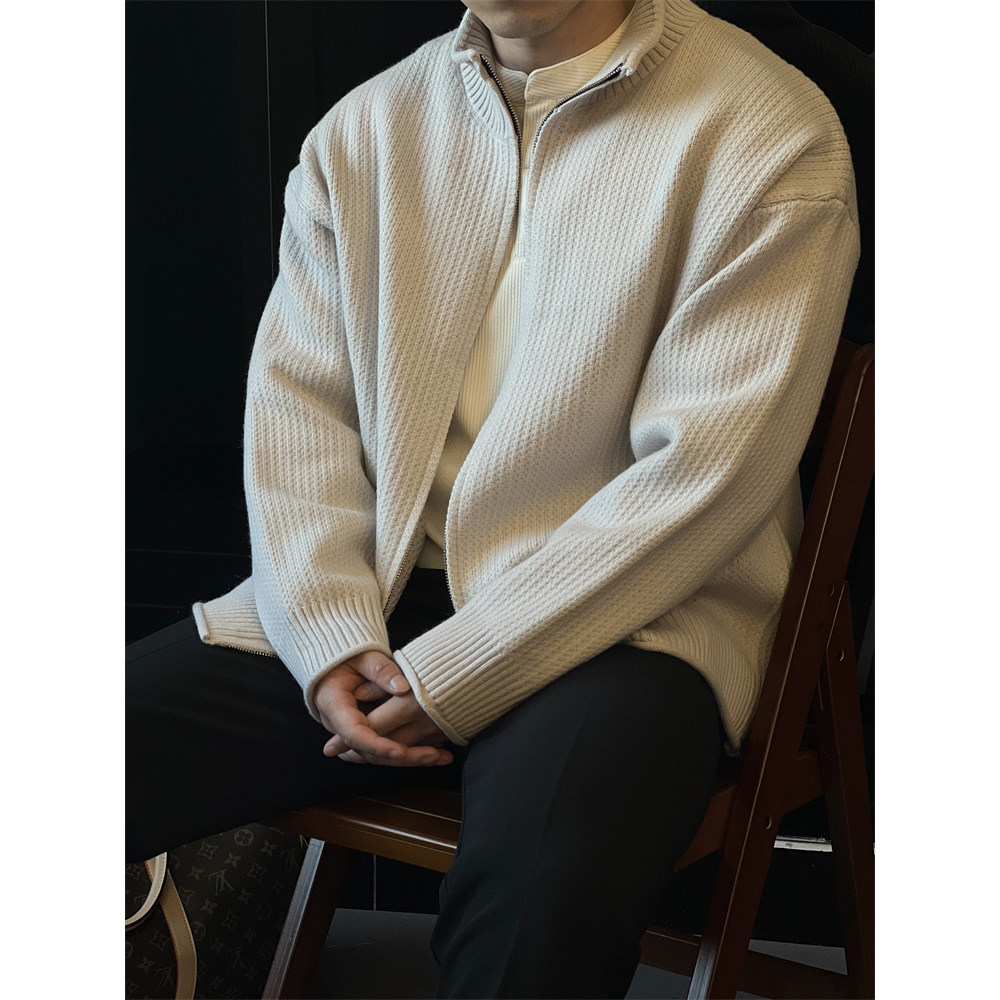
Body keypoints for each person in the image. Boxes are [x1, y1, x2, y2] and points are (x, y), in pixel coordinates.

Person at [127, 0, 860, 996]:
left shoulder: (767, 129)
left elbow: (703, 478)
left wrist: (456, 674)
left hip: (634, 620)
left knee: (539, 895)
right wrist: (329, 635)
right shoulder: (364, 130)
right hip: (379, 599)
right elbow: (298, 419)